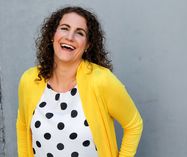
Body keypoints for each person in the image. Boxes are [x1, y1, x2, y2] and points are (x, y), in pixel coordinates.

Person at [16, 6, 143, 157]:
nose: (70, 37)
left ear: (88, 45)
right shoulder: (30, 80)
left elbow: (134, 125)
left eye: (80, 33)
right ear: (52, 35)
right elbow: (23, 127)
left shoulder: (102, 80)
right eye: (64, 28)